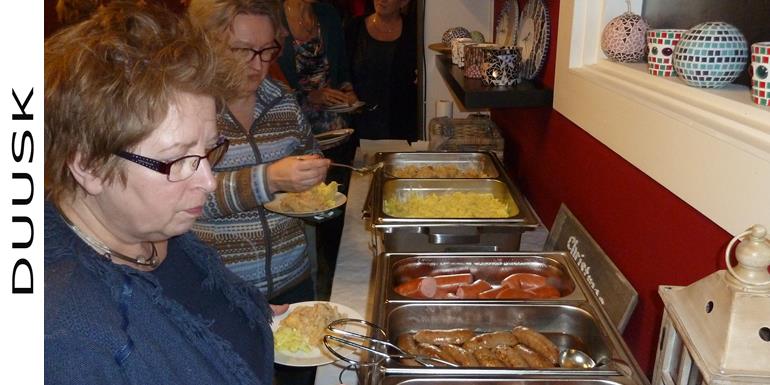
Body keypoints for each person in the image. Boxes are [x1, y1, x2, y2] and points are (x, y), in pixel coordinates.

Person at [44, 2, 280, 384]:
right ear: (88, 166)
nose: (209, 180)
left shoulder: (147, 229)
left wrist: (246, 316)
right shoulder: (68, 342)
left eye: (207, 150)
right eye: (177, 159)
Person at [187, 1, 330, 383]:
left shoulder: (280, 100)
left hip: (294, 280)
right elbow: (184, 197)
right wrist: (268, 179)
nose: (258, 64)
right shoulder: (184, 107)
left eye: (268, 50)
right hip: (220, 291)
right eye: (243, 51)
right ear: (208, 44)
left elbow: (307, 149)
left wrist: (313, 173)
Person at [346, 0, 417, 141]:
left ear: (403, 2)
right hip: (359, 122)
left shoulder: (414, 30)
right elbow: (341, 69)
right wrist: (347, 89)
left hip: (400, 123)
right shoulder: (354, 27)